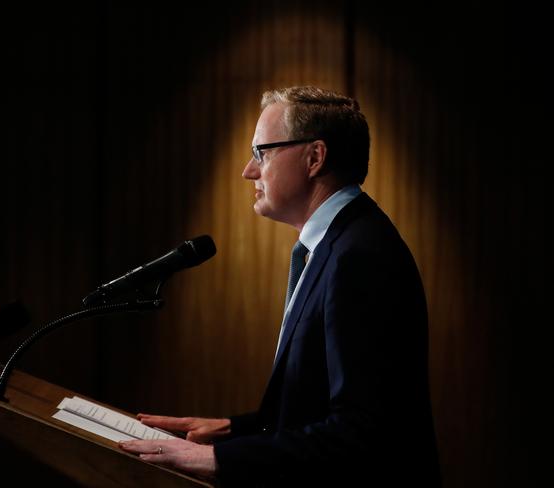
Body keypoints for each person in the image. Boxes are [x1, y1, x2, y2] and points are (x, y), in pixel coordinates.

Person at [119, 86, 441, 487]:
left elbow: (362, 432)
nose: (248, 171)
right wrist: (234, 430)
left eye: (262, 152)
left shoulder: (359, 256)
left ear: (315, 157)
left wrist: (217, 458)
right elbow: (321, 408)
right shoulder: (337, 244)